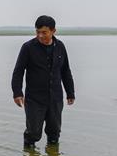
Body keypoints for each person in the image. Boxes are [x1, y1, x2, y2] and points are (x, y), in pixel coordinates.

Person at [11, 15, 75, 147]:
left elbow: (65, 71)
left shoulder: (60, 46)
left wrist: (70, 92)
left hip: (55, 98)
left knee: (54, 132)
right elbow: (18, 71)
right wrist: (17, 92)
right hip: (34, 99)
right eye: (37, 32)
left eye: (44, 32)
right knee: (33, 133)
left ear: (53, 31)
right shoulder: (28, 47)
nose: (40, 35)